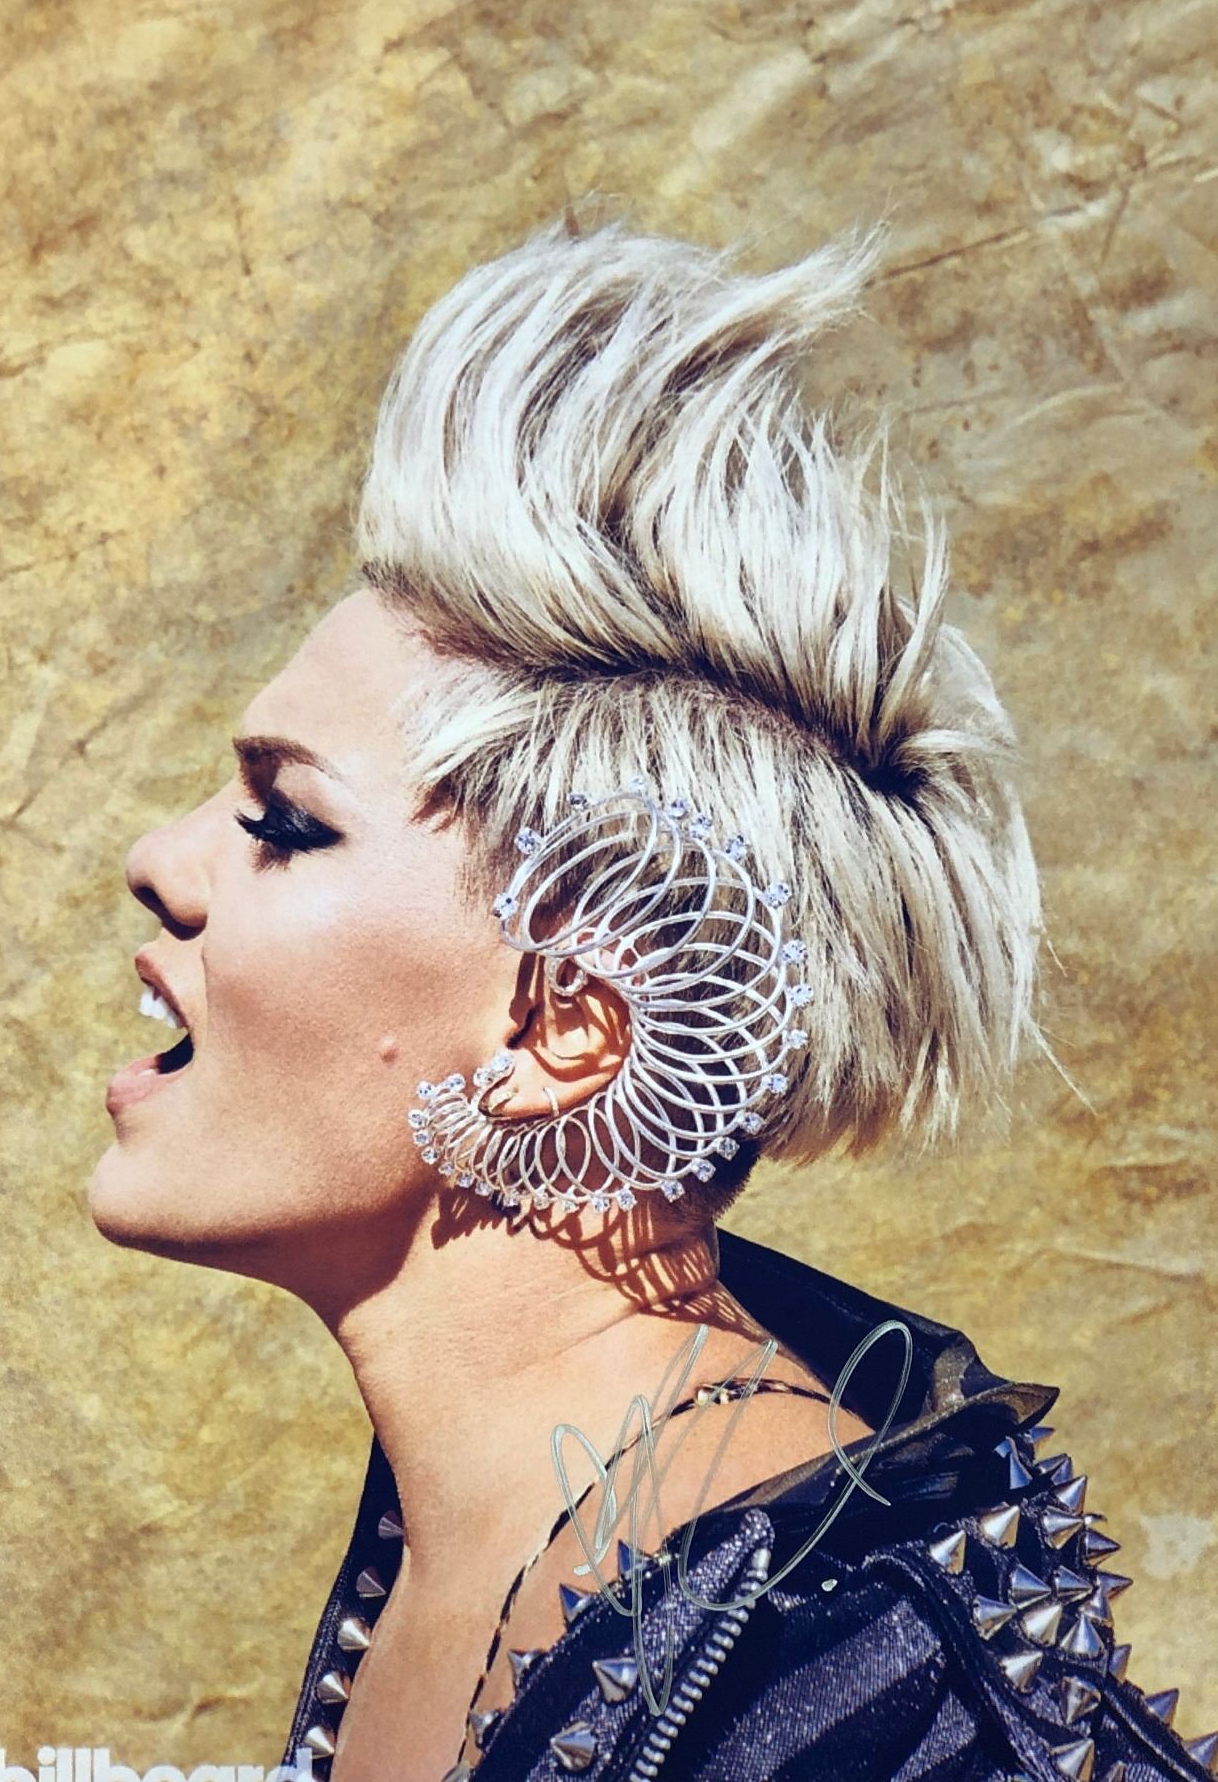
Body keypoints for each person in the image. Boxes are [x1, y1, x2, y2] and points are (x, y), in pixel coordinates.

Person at [90, 217, 1214, 1782]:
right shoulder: (478, 1522)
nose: (159, 861)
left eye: (284, 820)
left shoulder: (873, 1713)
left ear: (565, 1028)